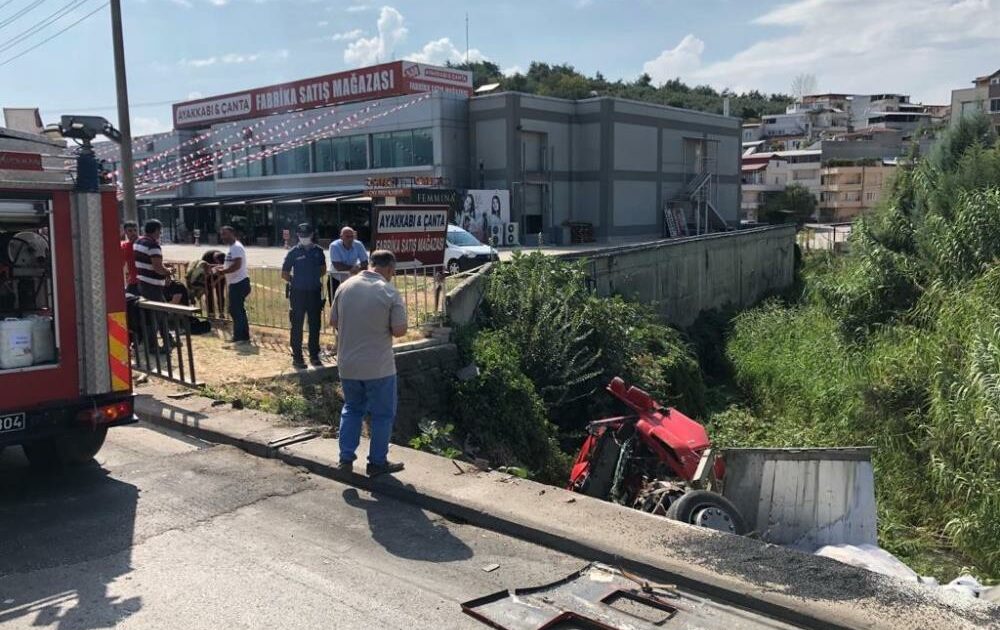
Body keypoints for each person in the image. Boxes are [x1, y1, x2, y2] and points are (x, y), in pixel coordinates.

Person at [330, 249, 408, 477]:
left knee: (352, 409)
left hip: (348, 364)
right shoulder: (389, 292)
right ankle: (376, 462)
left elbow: (333, 321)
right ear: (390, 269)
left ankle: (345, 460)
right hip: (379, 366)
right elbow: (400, 331)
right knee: (382, 415)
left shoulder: (345, 287)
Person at [282, 223, 327, 369]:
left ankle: (314, 355)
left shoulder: (318, 251)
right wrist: (296, 281)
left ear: (312, 235)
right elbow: (284, 273)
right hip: (298, 293)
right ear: (298, 236)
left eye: (306, 236)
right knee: (297, 325)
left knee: (314, 325)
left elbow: (322, 270)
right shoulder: (293, 252)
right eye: (302, 236)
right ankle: (298, 357)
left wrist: (311, 278)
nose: (304, 238)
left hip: (314, 292)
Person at [133, 219, 174, 352]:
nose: (160, 234)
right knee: (155, 316)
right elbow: (157, 268)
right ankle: (152, 346)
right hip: (153, 285)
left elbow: (150, 263)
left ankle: (167, 341)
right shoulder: (153, 246)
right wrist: (169, 271)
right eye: (159, 231)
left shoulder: (138, 242)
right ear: (156, 230)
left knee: (161, 314)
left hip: (143, 282)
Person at [214, 225, 251, 345]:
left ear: (232, 233)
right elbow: (231, 264)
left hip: (239, 283)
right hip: (236, 283)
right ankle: (242, 336)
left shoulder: (236, 247)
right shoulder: (232, 247)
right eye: (221, 234)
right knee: (237, 310)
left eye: (225, 234)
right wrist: (220, 268)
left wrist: (223, 272)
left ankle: (240, 337)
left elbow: (237, 265)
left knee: (235, 310)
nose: (222, 237)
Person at [328, 226, 368, 300]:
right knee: (335, 305)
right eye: (347, 236)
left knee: (353, 304)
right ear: (341, 237)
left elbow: (365, 262)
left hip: (352, 279)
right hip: (336, 279)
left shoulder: (358, 244)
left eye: (352, 236)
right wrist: (353, 268)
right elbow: (338, 266)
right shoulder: (334, 246)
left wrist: (358, 267)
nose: (350, 239)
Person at [186, 250, 226, 316]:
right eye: (217, 262)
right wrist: (206, 280)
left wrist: (215, 282)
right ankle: (211, 314)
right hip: (208, 276)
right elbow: (202, 269)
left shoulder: (224, 257)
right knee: (208, 294)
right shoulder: (207, 255)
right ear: (214, 258)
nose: (218, 264)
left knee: (220, 294)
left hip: (220, 276)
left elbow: (224, 272)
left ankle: (221, 313)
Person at [121, 221, 139, 295]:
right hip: (133, 281)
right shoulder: (124, 247)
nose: (133, 233)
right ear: (125, 232)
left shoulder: (143, 243)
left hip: (146, 281)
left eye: (135, 230)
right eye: (130, 231)